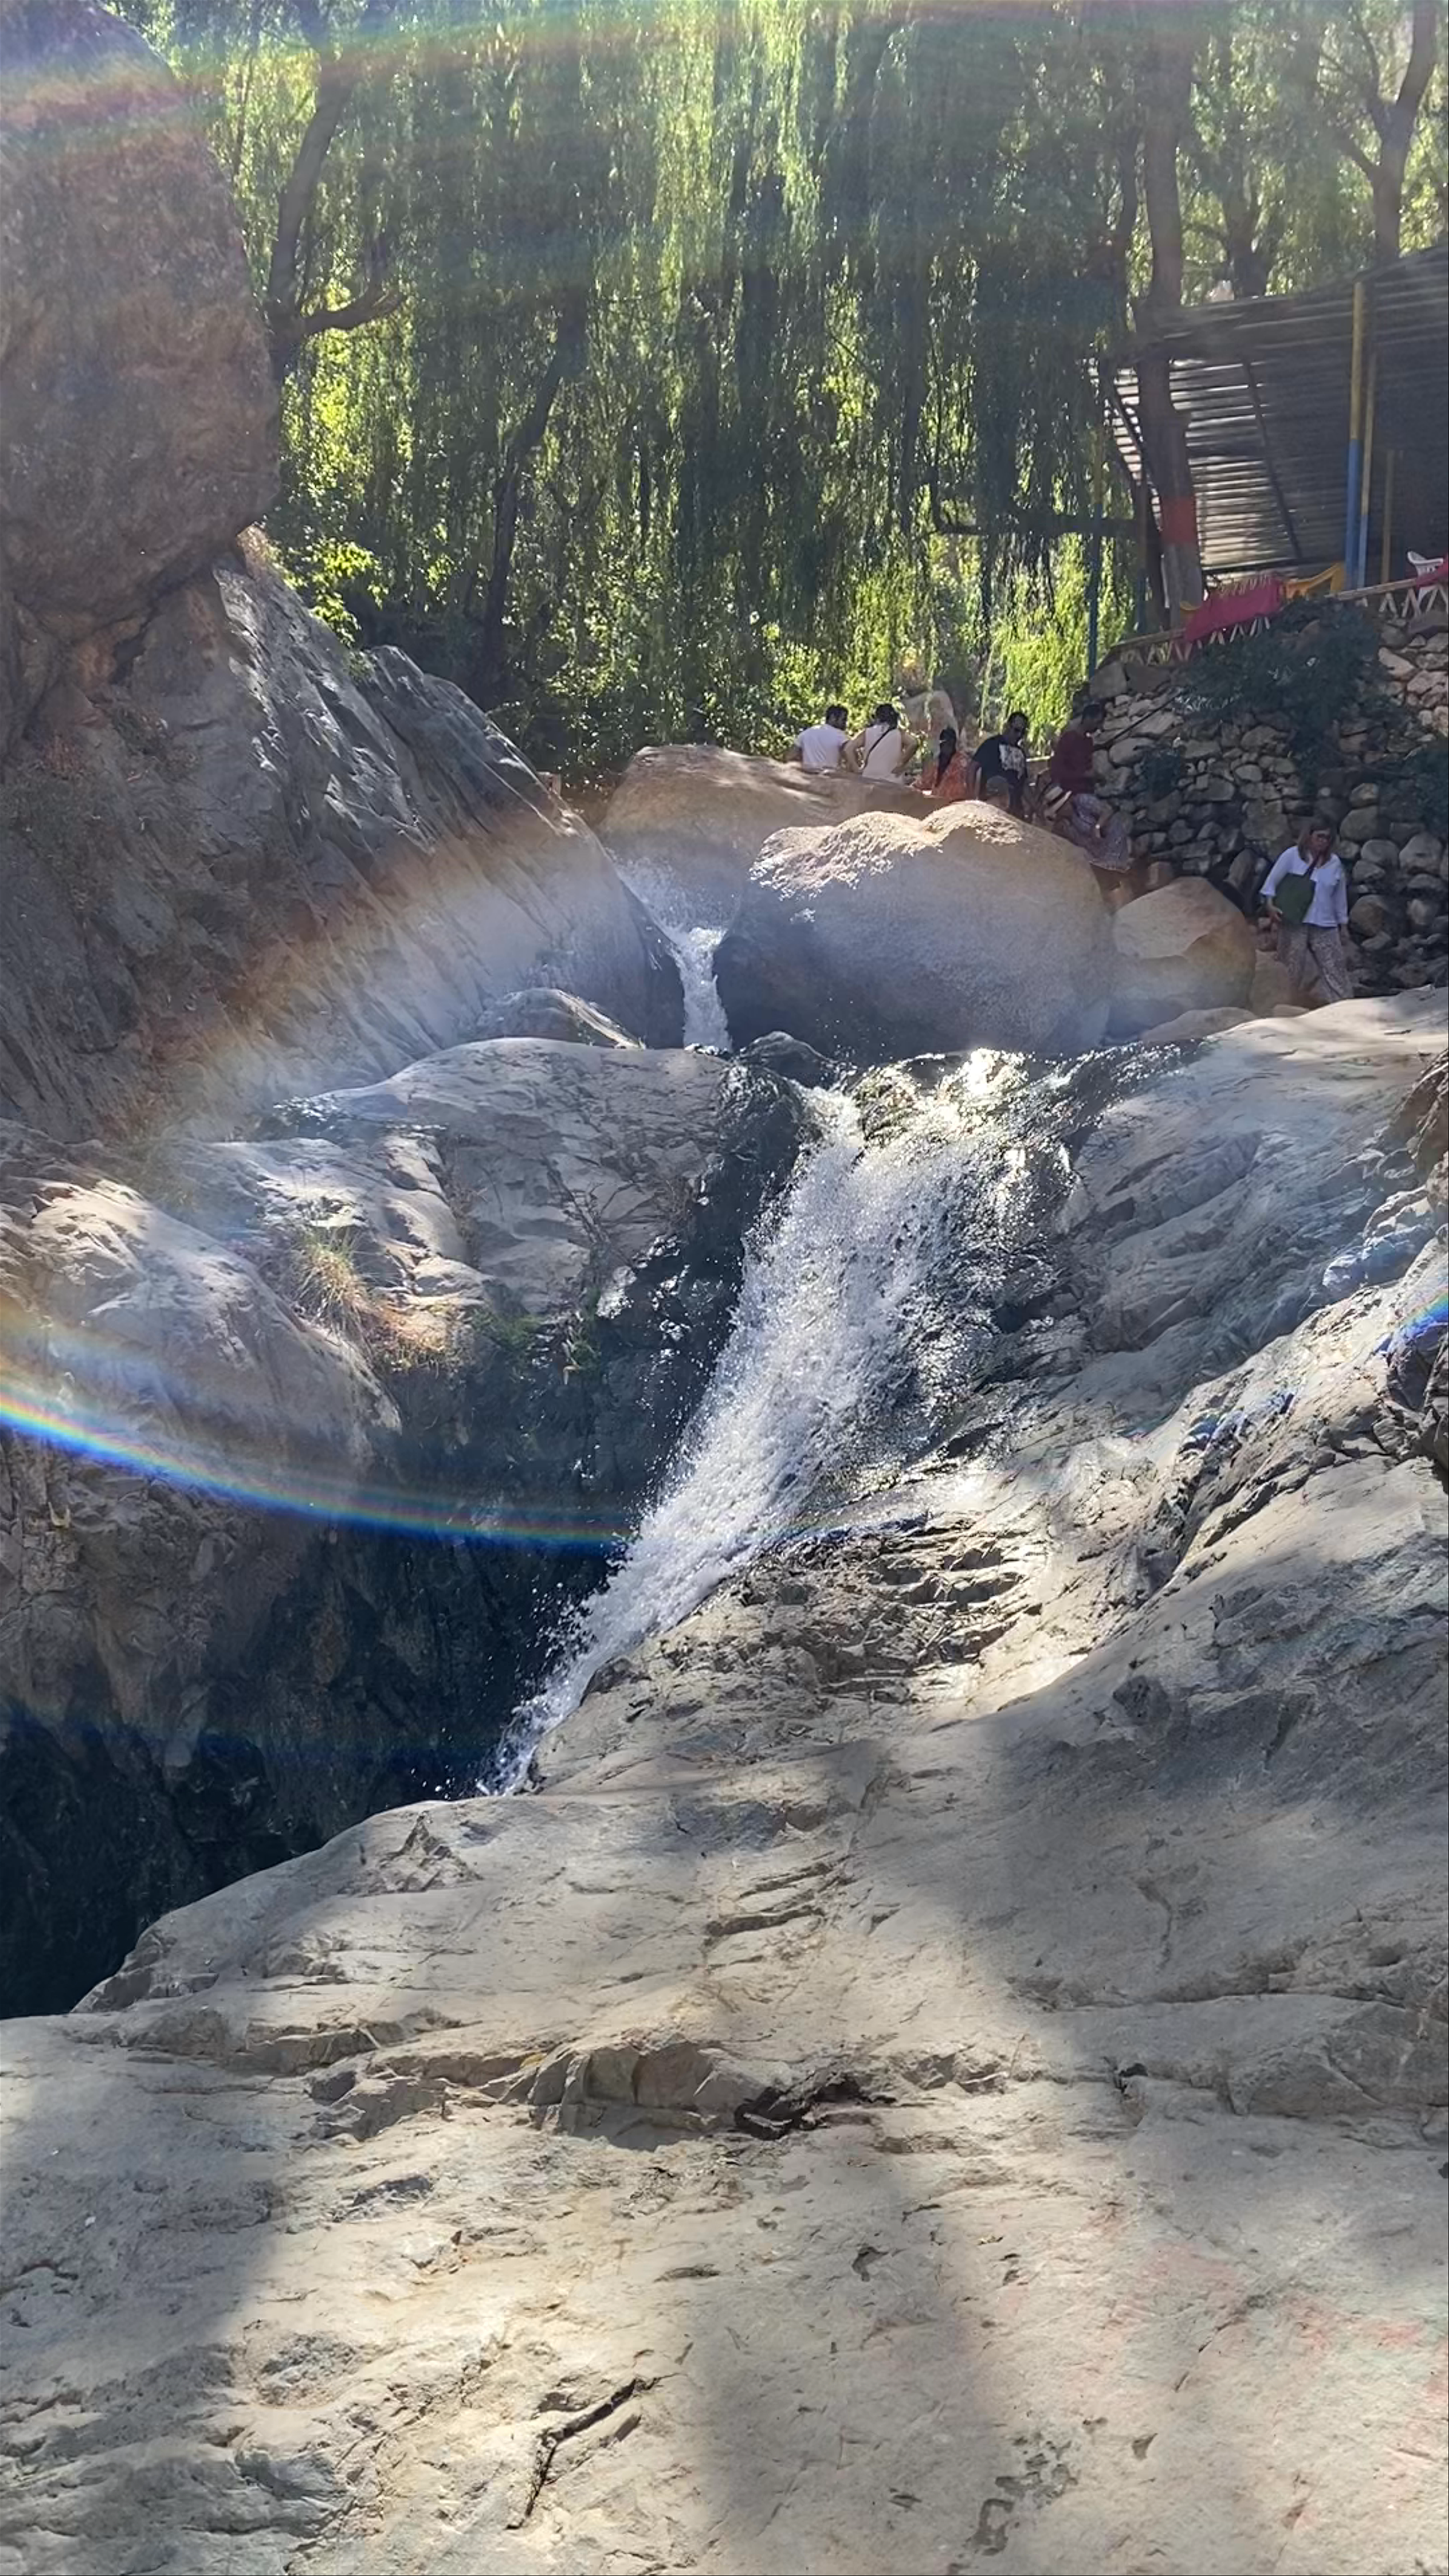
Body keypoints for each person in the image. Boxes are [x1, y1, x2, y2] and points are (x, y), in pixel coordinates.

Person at [1260, 824, 1352, 1003]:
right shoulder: (1292, 856)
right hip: (1296, 921)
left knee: (1335, 968)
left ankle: (1344, 1005)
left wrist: (1344, 925)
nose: (1323, 842)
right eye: (1320, 836)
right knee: (1291, 968)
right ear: (1309, 836)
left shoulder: (1335, 863)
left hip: (1325, 923)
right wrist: (1270, 906)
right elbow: (1271, 883)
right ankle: (1283, 1006)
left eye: (1327, 838)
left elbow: (1340, 897)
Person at [1043, 701, 1131, 871]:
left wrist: (1095, 778)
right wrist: (1084, 775)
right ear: (1088, 718)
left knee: (1097, 829)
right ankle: (1105, 863)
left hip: (1087, 792)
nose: (1098, 727)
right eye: (1097, 722)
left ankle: (1105, 864)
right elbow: (1058, 771)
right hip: (1074, 794)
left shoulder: (1088, 742)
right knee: (1101, 823)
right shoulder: (1069, 740)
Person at [972, 709, 1031, 816]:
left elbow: (1024, 784)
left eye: (1023, 733)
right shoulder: (991, 745)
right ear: (1008, 727)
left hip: (1015, 810)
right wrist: (970, 796)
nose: (1019, 736)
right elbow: (972, 768)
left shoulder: (1021, 753)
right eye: (1017, 731)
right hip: (992, 806)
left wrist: (1036, 808)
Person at [847, 702, 912, 780]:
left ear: (877, 718)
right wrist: (902, 763)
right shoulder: (899, 733)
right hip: (892, 780)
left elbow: (848, 749)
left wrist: (856, 769)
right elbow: (914, 743)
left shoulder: (868, 732)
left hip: (869, 779)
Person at [791, 703, 850, 772]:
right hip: (831, 778)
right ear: (833, 718)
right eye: (844, 720)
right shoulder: (841, 736)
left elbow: (790, 756)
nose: (846, 724)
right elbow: (850, 755)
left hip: (808, 777)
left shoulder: (806, 734)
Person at [924, 723, 971, 804]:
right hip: (936, 804)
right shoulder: (936, 762)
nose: (947, 746)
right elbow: (925, 781)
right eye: (945, 743)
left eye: (950, 742)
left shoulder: (963, 762)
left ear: (954, 743)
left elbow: (966, 787)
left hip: (956, 804)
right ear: (941, 744)